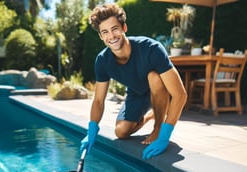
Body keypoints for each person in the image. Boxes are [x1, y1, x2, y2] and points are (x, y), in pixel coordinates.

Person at [80, 3, 187, 160]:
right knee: (121, 132)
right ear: (101, 36)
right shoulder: (102, 61)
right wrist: (92, 129)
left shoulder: (151, 49)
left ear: (124, 28)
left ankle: (157, 126)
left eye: (115, 29)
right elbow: (98, 100)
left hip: (157, 89)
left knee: (154, 76)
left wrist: (164, 134)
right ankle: (150, 115)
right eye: (105, 32)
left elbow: (180, 95)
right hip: (136, 93)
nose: (111, 36)